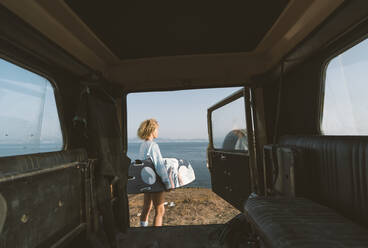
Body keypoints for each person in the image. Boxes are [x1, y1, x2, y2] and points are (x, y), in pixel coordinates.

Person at [137, 118, 173, 227]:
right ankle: (155, 236)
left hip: (146, 179)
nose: (158, 132)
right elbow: (159, 166)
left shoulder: (143, 145)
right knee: (160, 210)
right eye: (157, 130)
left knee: (147, 206)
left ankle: (143, 232)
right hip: (154, 181)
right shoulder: (153, 145)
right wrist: (167, 183)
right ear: (152, 130)